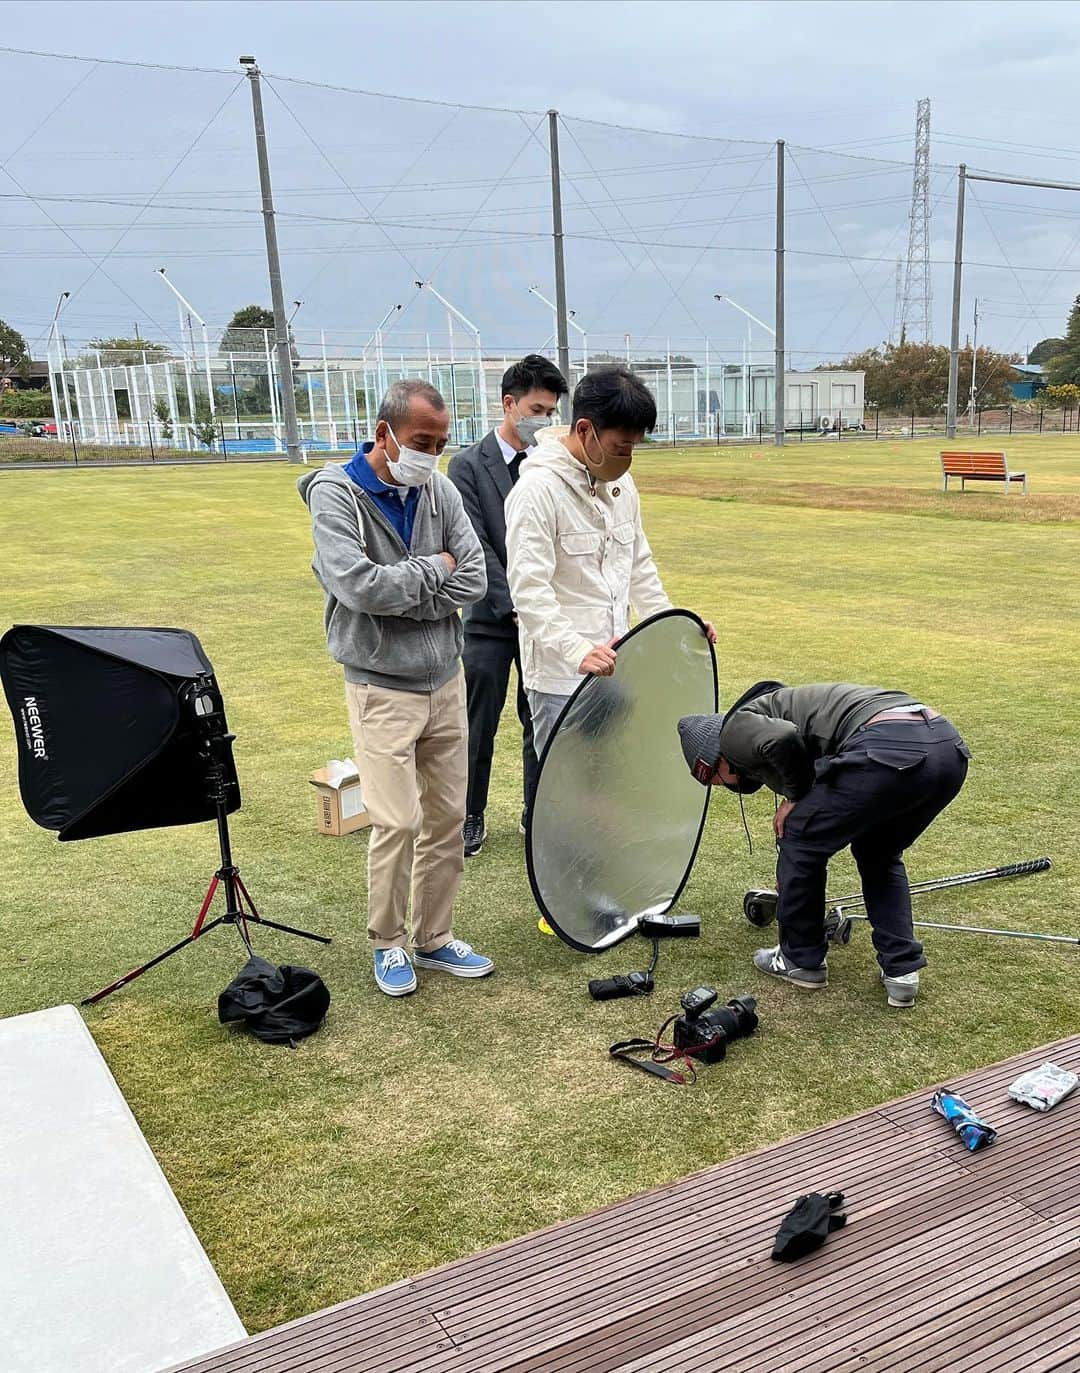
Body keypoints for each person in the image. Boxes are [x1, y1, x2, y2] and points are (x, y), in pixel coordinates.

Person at [298, 379, 495, 998]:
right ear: (384, 433)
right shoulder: (336, 494)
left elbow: (477, 579)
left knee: (446, 819)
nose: (430, 454)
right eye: (420, 441)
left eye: (439, 443)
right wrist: (432, 572)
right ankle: (389, 942)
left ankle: (435, 939)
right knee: (396, 821)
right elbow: (358, 587)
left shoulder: (437, 486)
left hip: (446, 678)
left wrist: (408, 588)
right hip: (381, 685)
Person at [678, 683, 971, 1009]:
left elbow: (782, 739)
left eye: (712, 780)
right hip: (948, 751)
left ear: (713, 760)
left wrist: (795, 796)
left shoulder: (733, 732)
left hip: (888, 748)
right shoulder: (780, 708)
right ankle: (902, 972)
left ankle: (799, 959)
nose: (722, 787)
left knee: (799, 834)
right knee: (879, 853)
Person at [505, 365, 715, 758]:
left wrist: (678, 628)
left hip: (616, 667)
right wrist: (576, 650)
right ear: (585, 430)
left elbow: (640, 567)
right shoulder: (537, 491)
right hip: (559, 677)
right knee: (566, 792)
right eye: (622, 446)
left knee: (610, 784)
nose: (628, 456)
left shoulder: (620, 485)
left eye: (635, 445)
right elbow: (529, 591)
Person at [448, 354, 568, 858]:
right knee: (480, 723)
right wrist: (517, 605)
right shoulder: (468, 466)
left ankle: (535, 812)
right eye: (537, 408)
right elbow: (474, 547)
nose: (544, 419)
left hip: (543, 621)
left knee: (540, 719)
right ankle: (470, 814)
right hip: (488, 624)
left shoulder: (556, 466)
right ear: (510, 405)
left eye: (551, 410)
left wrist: (541, 612)